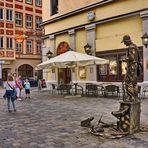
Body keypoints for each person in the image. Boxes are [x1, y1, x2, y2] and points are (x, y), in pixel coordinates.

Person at [121, 35, 142, 102]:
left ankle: (130, 97)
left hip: (132, 66)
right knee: (134, 83)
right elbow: (138, 58)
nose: (124, 43)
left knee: (128, 82)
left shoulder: (131, 47)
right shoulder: (136, 47)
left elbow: (131, 57)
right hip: (135, 66)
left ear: (127, 41)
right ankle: (135, 97)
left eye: (124, 42)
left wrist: (123, 59)